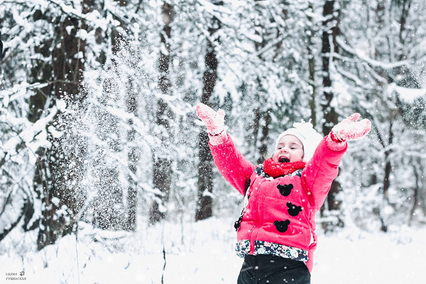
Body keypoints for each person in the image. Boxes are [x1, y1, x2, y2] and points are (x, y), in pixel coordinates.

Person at [196, 103, 371, 284]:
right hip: (251, 262)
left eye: (293, 147)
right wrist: (217, 133)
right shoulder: (256, 176)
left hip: (290, 265)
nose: (284, 149)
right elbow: (231, 162)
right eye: (280, 145)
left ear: (306, 156)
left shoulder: (307, 181)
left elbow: (324, 165)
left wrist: (335, 140)